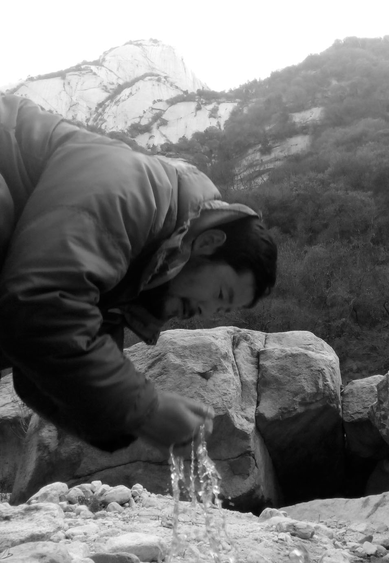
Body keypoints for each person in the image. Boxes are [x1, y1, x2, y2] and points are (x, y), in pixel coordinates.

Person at [0, 94, 277, 456]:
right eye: (221, 294)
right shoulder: (134, 189)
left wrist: (136, 423)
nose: (206, 312)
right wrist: (147, 410)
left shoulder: (126, 280)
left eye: (222, 310)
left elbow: (44, 376)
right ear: (208, 242)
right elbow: (38, 304)